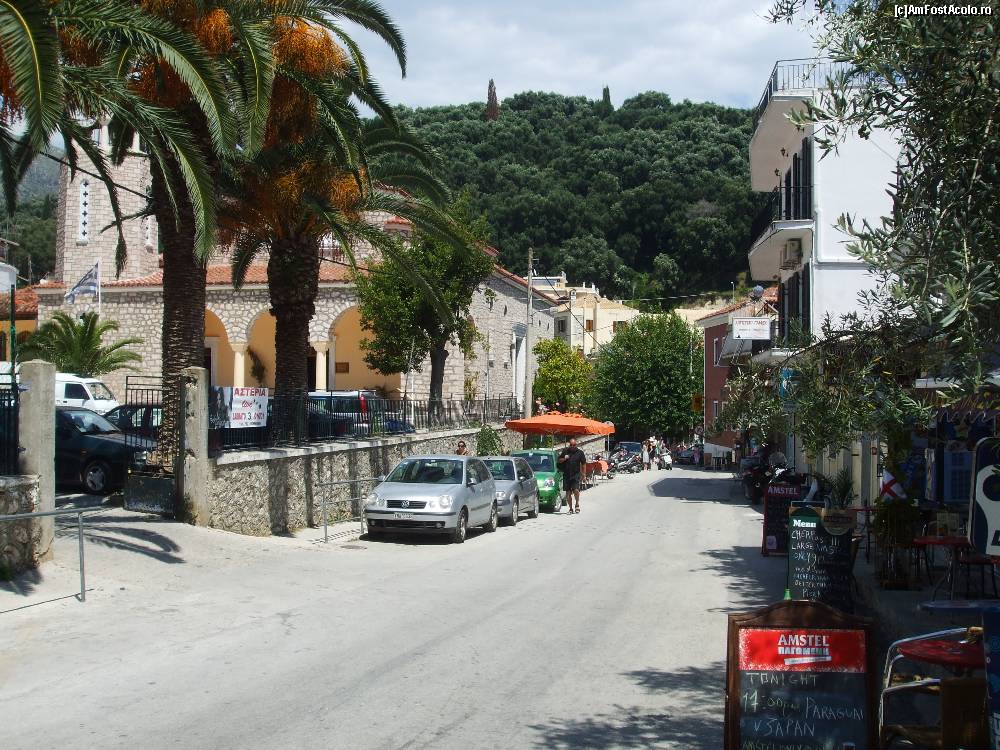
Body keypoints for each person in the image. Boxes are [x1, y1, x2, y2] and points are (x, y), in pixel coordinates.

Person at [557, 437, 587, 513]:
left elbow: (583, 464)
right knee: (568, 494)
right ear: (569, 445)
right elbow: (558, 460)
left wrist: (584, 475)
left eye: (574, 445)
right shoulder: (565, 451)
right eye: (571, 445)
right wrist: (564, 458)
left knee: (576, 490)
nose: (572, 446)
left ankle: (577, 504)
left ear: (576, 445)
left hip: (576, 474)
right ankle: (570, 508)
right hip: (566, 475)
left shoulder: (580, 453)